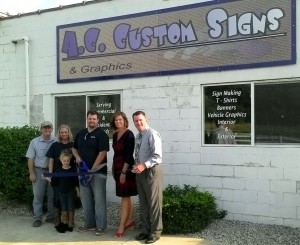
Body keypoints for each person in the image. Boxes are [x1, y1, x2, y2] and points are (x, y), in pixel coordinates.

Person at [72, 110, 109, 236]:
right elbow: (74, 148)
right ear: (87, 119)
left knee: (99, 199)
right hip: (82, 171)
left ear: (98, 120)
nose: (91, 121)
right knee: (86, 199)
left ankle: (100, 226)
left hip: (98, 172)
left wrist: (92, 171)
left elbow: (102, 153)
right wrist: (77, 157)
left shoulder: (101, 134)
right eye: (89, 118)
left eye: (94, 119)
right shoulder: (81, 133)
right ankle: (89, 224)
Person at [132, 111, 163, 244]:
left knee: (154, 203)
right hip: (140, 172)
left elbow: (157, 156)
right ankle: (145, 230)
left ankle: (155, 232)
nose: (138, 123)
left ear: (146, 119)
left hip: (151, 171)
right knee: (143, 203)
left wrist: (144, 165)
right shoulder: (138, 135)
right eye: (136, 121)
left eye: (140, 120)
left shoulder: (152, 134)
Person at [110, 111, 137, 238]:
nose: (118, 122)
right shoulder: (115, 134)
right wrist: (113, 167)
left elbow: (129, 155)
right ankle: (130, 220)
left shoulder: (129, 135)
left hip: (125, 169)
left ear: (124, 120)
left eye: (120, 120)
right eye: (116, 120)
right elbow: (116, 153)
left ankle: (122, 225)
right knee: (127, 196)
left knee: (124, 197)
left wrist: (124, 172)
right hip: (117, 168)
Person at [26, 121, 57, 227]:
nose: (47, 129)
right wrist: (31, 173)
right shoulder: (34, 142)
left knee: (52, 195)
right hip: (39, 171)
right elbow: (30, 158)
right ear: (41, 129)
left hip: (52, 172)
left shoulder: (56, 141)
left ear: (52, 129)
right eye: (45, 128)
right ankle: (37, 218)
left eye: (49, 128)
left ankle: (50, 217)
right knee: (38, 196)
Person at [46, 124, 75, 228]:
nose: (64, 134)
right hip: (57, 177)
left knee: (70, 199)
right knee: (57, 198)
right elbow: (51, 160)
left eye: (66, 132)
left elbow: (77, 159)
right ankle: (58, 220)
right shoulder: (55, 145)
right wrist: (50, 174)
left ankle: (70, 221)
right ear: (59, 133)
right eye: (62, 132)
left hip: (70, 177)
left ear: (69, 133)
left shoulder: (73, 145)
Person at [51, 150, 79, 233]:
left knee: (71, 207)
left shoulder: (72, 170)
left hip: (70, 192)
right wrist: (49, 179)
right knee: (64, 207)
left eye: (67, 161)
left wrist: (78, 191)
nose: (66, 162)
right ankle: (64, 222)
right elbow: (54, 182)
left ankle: (71, 223)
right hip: (61, 193)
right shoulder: (58, 171)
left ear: (70, 161)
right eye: (64, 161)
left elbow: (76, 182)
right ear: (61, 160)